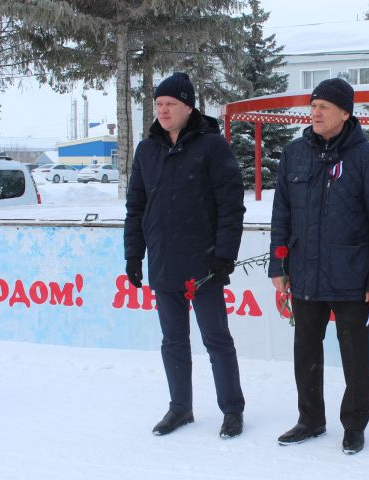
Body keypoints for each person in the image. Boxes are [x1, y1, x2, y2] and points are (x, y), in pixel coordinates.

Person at [268, 78, 369, 455]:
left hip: (352, 277)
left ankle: (354, 424)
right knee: (305, 350)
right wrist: (279, 267)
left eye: (324, 106)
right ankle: (310, 419)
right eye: (313, 106)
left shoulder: (368, 159)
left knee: (355, 356)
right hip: (304, 272)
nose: (316, 112)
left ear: (346, 113)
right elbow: (282, 215)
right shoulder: (294, 154)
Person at [124, 72, 246, 439]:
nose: (162, 111)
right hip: (163, 261)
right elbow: (136, 207)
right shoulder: (147, 150)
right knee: (172, 341)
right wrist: (134, 255)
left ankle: (232, 410)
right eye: (158, 105)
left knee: (216, 340)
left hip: (204, 265)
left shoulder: (212, 146)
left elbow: (231, 205)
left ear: (188, 107)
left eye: (170, 104)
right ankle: (180, 408)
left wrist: (224, 255)